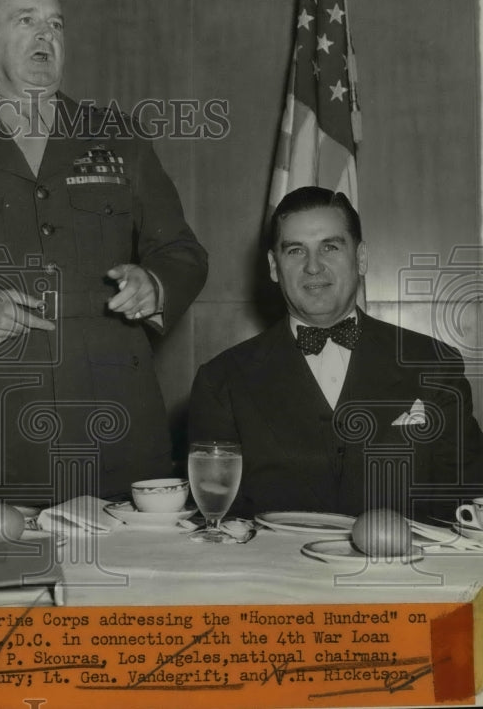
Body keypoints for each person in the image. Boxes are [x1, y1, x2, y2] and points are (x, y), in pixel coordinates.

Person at [0, 0, 208, 503]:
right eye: (27, 20)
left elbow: (182, 251)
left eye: (56, 23)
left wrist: (156, 282)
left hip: (119, 426)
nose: (47, 35)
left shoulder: (120, 137)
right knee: (5, 579)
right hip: (1, 433)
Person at [189, 186, 482, 518]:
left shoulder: (434, 364)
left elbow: (466, 501)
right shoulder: (221, 381)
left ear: (361, 259)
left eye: (330, 247)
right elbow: (219, 518)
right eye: (296, 250)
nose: (314, 266)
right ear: (274, 266)